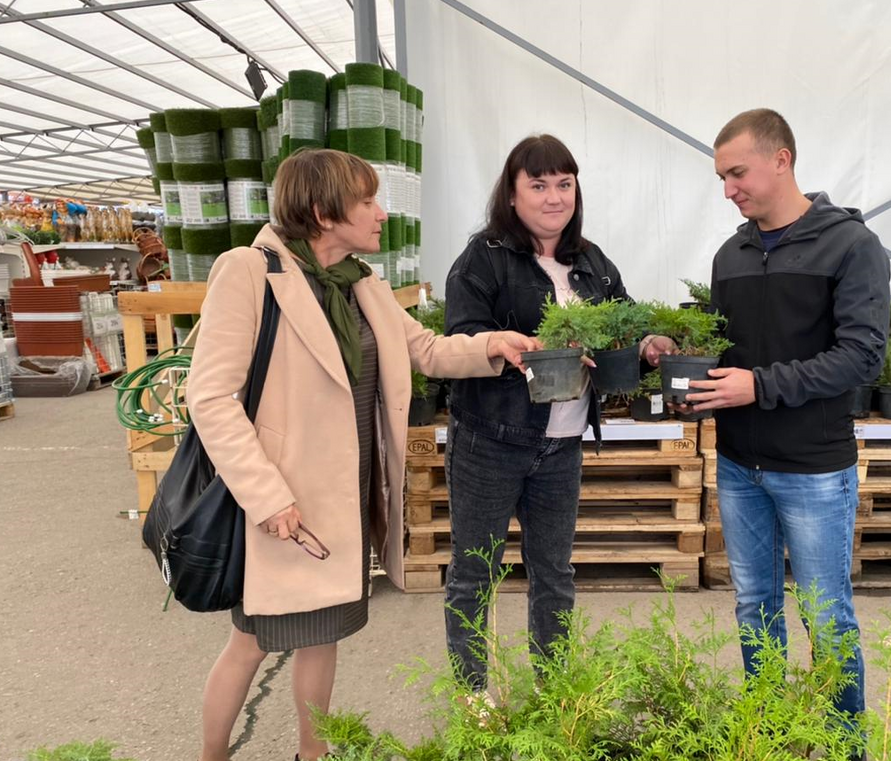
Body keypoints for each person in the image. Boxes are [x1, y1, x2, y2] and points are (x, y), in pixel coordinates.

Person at [186, 148, 538, 761]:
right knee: (252, 641)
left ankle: (311, 755)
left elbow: (425, 350)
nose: (382, 213)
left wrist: (492, 345)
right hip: (282, 499)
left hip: (345, 497)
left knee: (324, 636)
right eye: (367, 200)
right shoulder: (248, 270)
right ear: (323, 212)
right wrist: (266, 496)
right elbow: (210, 396)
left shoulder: (360, 281)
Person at [683, 109, 890, 758]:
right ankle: (767, 734)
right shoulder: (730, 255)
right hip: (741, 465)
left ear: (782, 159)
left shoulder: (850, 247)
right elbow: (723, 349)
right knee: (755, 607)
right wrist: (676, 354)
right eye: (721, 178)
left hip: (813, 471)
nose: (728, 190)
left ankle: (845, 744)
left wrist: (758, 385)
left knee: (826, 618)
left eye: (737, 173)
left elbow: (861, 357)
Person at [442, 134, 676, 695]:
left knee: (554, 573)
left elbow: (623, 324)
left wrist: (648, 343)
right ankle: (474, 698)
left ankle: (555, 696)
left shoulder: (591, 261)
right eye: (539, 184)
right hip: (490, 441)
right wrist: (503, 343)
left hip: (562, 446)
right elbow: (460, 338)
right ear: (513, 194)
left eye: (564, 184)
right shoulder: (484, 258)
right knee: (475, 573)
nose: (554, 197)